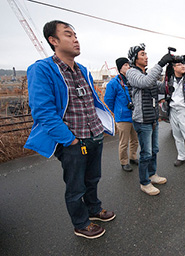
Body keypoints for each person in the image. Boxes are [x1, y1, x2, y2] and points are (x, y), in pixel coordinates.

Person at [24, 20, 116, 239]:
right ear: (53, 41)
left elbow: (90, 101)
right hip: (72, 141)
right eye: (68, 35)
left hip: (94, 135)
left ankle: (94, 209)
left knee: (93, 179)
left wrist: (100, 127)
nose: (75, 39)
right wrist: (70, 140)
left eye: (76, 35)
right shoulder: (42, 69)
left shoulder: (82, 69)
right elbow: (43, 111)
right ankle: (81, 223)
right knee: (75, 186)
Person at [126, 43, 173, 196]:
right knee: (145, 152)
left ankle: (152, 175)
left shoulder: (148, 74)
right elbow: (145, 83)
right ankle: (144, 182)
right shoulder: (132, 73)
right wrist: (160, 64)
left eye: (146, 54)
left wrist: (170, 72)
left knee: (154, 150)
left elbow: (163, 87)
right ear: (134, 58)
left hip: (153, 118)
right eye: (142, 54)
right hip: (142, 120)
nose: (146, 57)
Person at [104, 57, 139, 172]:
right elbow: (108, 99)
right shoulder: (114, 83)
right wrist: (117, 111)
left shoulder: (132, 80)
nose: (128, 67)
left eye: (129, 65)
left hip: (134, 115)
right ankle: (124, 162)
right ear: (120, 68)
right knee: (124, 142)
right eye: (125, 65)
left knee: (135, 140)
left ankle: (133, 157)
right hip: (123, 117)